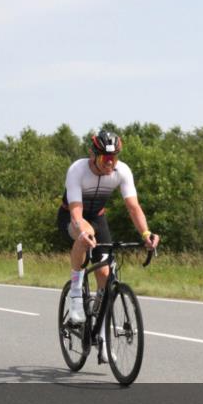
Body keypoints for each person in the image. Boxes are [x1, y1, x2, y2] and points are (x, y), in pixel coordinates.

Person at [57, 131, 159, 361]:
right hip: (72, 215)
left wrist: (146, 233)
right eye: (105, 158)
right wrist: (82, 231)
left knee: (105, 273)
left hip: (98, 217)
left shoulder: (121, 171)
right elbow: (76, 211)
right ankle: (75, 297)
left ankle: (102, 338)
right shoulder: (77, 170)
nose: (110, 163)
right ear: (93, 155)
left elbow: (133, 207)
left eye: (114, 158)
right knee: (85, 235)